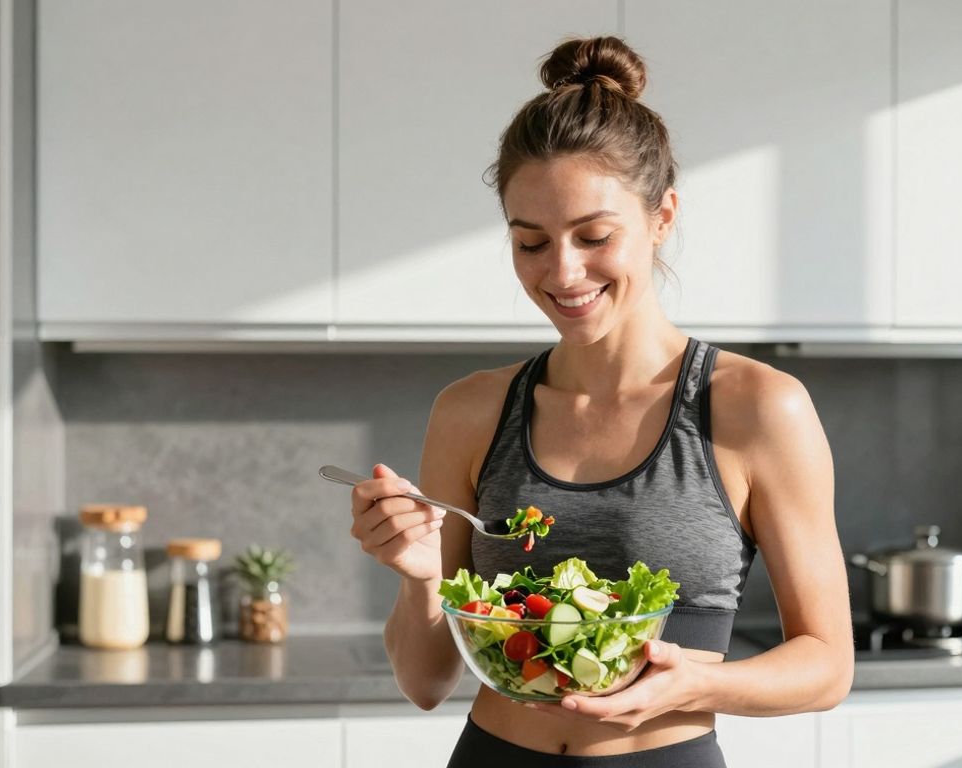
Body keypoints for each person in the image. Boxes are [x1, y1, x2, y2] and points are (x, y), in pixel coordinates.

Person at [346, 35, 853, 767]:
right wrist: (420, 578)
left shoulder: (756, 406)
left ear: (662, 218)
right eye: (531, 242)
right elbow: (424, 682)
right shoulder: (471, 411)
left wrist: (693, 684)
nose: (563, 271)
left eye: (594, 236)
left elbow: (827, 664)